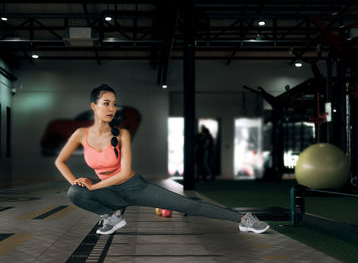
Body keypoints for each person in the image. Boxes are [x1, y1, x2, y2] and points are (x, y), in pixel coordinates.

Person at [55, 84, 270, 235]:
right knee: (75, 192)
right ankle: (112, 216)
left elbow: (122, 172)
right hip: (110, 193)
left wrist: (93, 186)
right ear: (94, 106)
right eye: (106, 103)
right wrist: (76, 181)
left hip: (133, 186)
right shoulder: (81, 134)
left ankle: (244, 220)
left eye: (114, 104)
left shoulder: (121, 135)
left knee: (188, 205)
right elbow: (60, 161)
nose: (112, 108)